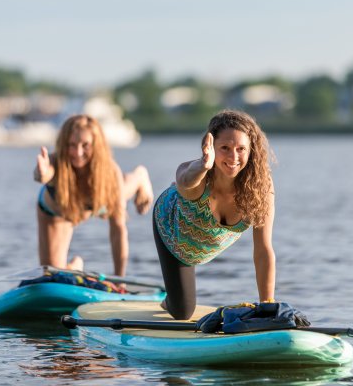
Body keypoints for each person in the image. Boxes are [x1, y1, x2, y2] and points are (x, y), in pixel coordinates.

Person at [153, 110, 276, 319]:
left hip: (201, 247)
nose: (233, 156)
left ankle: (175, 293)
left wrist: (267, 306)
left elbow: (263, 250)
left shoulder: (260, 189)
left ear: (251, 150)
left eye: (241, 149)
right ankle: (171, 300)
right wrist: (203, 165)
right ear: (211, 147)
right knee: (183, 312)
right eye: (225, 148)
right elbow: (185, 180)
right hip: (173, 235)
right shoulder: (198, 176)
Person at [34, 114, 153, 277]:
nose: (78, 152)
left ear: (96, 145)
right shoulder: (55, 162)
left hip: (97, 201)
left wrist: (120, 279)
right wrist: (41, 172)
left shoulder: (110, 171)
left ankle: (139, 176)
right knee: (50, 276)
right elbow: (44, 175)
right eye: (72, 145)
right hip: (58, 214)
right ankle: (74, 267)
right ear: (64, 144)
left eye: (85, 145)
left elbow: (118, 229)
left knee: (119, 195)